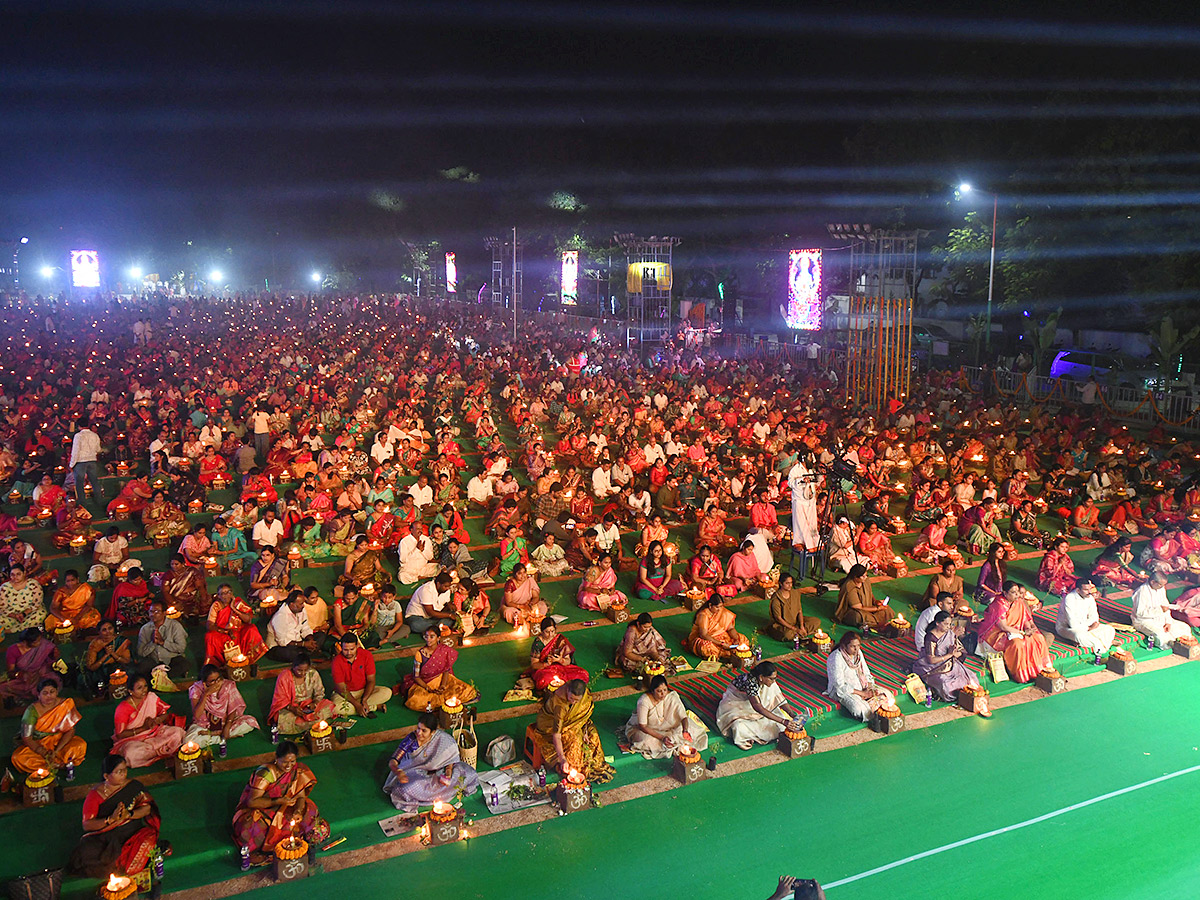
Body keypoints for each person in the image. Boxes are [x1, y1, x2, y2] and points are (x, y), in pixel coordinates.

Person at [232, 741, 329, 867]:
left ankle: (298, 839)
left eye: (292, 761)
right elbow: (252, 801)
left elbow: (300, 796)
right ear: (276, 758)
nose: (289, 766)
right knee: (250, 825)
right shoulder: (266, 773)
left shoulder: (297, 770)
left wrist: (298, 811)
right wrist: (278, 801)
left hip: (285, 806)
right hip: (263, 808)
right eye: (285, 762)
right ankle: (268, 847)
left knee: (308, 808)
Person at [69, 755, 162, 877]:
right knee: (85, 854)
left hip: (132, 831)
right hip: (107, 835)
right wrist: (111, 819)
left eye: (125, 770)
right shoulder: (95, 794)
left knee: (146, 841)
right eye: (119, 772)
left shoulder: (134, 786)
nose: (123, 774)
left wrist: (129, 814)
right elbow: (87, 824)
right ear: (106, 776)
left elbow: (147, 808)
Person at [383, 712, 481, 814]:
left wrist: (448, 773)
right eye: (418, 728)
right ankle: (439, 794)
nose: (419, 733)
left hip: (440, 773)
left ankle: (433, 794)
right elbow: (393, 761)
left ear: (433, 732)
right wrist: (398, 772)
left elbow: (450, 759)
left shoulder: (442, 739)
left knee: (467, 772)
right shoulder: (411, 740)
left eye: (424, 730)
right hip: (416, 773)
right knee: (404, 788)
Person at [529, 679, 615, 783]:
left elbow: (583, 712)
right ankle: (574, 766)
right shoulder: (559, 705)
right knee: (574, 738)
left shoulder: (583, 693)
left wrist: (584, 730)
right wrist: (562, 759)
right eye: (571, 698)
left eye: (576, 700)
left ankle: (587, 759)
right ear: (567, 691)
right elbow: (556, 735)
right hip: (550, 727)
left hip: (573, 722)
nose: (573, 702)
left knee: (593, 732)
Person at [716, 661, 806, 749]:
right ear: (761, 677)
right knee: (738, 727)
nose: (774, 681)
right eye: (771, 678)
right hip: (738, 706)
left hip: (759, 706)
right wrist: (783, 721)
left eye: (775, 678)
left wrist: (792, 714)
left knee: (780, 721)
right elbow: (758, 708)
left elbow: (778, 698)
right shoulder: (751, 683)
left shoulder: (770, 682)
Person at [978, 581, 1052, 682]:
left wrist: (1028, 629)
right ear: (1005, 593)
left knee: (1038, 638)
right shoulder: (999, 604)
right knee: (1017, 644)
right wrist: (1022, 633)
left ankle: (1042, 669)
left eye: (1017, 592)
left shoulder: (1019, 602)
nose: (1017, 595)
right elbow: (1003, 626)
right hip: (999, 632)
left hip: (1018, 630)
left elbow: (1025, 618)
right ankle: (1021, 675)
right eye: (1013, 592)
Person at [11, 678, 87, 773]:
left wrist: (56, 750)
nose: (49, 696)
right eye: (45, 693)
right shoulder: (32, 711)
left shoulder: (65, 704)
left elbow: (70, 730)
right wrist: (44, 753)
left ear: (57, 692)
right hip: (39, 744)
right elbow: (27, 737)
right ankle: (60, 764)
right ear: (38, 695)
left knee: (80, 746)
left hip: (60, 742)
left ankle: (51, 765)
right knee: (18, 758)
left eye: (52, 692)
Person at [913, 612, 987, 709]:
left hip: (950, 663)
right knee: (945, 684)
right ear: (937, 623)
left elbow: (960, 650)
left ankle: (967, 696)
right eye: (946, 624)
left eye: (950, 624)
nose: (949, 627)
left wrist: (956, 653)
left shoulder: (949, 633)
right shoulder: (931, 637)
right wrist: (949, 655)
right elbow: (931, 659)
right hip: (934, 666)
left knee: (971, 677)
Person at [111, 673, 186, 768]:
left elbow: (164, 713)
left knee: (177, 732)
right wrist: (143, 728)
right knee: (131, 754)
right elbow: (120, 734)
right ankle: (163, 750)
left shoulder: (151, 697)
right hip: (133, 740)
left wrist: (157, 720)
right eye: (139, 688)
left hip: (154, 733)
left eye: (145, 686)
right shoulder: (123, 708)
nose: (144, 690)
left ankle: (157, 751)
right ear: (130, 691)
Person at [624, 674, 707, 758]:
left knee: (690, 727)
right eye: (659, 691)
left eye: (665, 690)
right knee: (646, 740)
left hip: (670, 726)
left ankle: (671, 741)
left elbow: (683, 717)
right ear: (652, 691)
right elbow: (643, 726)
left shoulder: (672, 696)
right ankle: (668, 742)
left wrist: (685, 731)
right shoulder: (644, 701)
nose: (663, 694)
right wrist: (662, 738)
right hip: (649, 730)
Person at [401, 628, 479, 711]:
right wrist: (427, 688)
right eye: (426, 636)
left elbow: (446, 670)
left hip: (442, 678)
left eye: (432, 637)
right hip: (426, 682)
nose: (428, 639)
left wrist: (443, 686)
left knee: (466, 691)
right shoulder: (420, 653)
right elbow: (416, 676)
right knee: (416, 701)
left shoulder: (444, 650)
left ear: (438, 638)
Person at [824, 632, 896, 721]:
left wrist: (869, 687)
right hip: (845, 691)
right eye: (852, 646)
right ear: (844, 645)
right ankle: (874, 710)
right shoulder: (836, 658)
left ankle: (875, 709)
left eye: (858, 645)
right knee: (859, 709)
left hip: (863, 686)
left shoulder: (858, 653)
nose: (856, 649)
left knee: (888, 695)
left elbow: (866, 672)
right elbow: (839, 686)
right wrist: (862, 693)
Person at [186, 664, 260, 748]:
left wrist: (227, 727)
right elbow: (197, 715)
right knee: (189, 740)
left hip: (225, 721)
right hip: (204, 724)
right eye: (213, 681)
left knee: (250, 722)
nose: (217, 683)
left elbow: (233, 709)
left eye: (218, 679)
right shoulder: (196, 689)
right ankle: (222, 737)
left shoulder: (228, 685)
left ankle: (217, 735)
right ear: (204, 683)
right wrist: (205, 694)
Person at [269, 653, 337, 735]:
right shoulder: (284, 676)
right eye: (299, 670)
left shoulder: (313, 674)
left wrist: (314, 703)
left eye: (306, 670)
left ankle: (307, 723)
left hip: (308, 706)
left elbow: (320, 693)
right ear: (293, 667)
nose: (303, 673)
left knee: (329, 707)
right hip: (290, 707)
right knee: (282, 719)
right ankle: (310, 723)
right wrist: (292, 708)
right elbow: (279, 699)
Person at [204, 583, 267, 667]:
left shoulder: (238, 603)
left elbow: (248, 620)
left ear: (232, 593)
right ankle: (218, 665)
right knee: (210, 636)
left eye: (228, 592)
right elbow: (210, 625)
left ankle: (248, 660)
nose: (226, 595)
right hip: (223, 634)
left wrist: (234, 609)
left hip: (239, 632)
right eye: (223, 593)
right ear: (218, 596)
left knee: (251, 629)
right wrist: (225, 631)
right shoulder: (216, 606)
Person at [331, 633, 392, 717]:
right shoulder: (337, 661)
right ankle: (373, 707)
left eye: (352, 649)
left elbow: (371, 680)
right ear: (341, 647)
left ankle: (362, 707)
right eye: (345, 650)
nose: (348, 653)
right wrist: (356, 704)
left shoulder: (366, 655)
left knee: (387, 692)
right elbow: (341, 688)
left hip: (363, 691)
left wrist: (364, 700)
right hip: (345, 694)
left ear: (357, 646)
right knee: (335, 707)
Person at [1131, 571, 1191, 647]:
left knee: (1184, 627)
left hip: (1161, 618)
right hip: (1144, 621)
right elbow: (1140, 613)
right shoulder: (1141, 592)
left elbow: (1165, 605)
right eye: (1160, 584)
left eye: (1164, 585)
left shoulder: (1161, 588)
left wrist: (1168, 621)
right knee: (1160, 635)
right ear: (1153, 582)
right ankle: (1173, 646)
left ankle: (1181, 643)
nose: (1162, 586)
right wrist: (1160, 610)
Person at [1056, 580, 1117, 655]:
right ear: (1078, 590)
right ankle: (1106, 643)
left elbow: (1094, 617)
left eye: (1089, 589)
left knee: (1110, 629)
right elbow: (1073, 624)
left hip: (1086, 627)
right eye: (1086, 590)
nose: (1089, 592)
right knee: (1079, 636)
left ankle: (1100, 643)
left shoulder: (1090, 597)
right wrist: (1089, 627)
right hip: (1067, 628)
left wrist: (1092, 626)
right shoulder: (1069, 599)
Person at [528, 617, 590, 691]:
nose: (550, 634)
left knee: (583, 674)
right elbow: (534, 664)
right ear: (542, 631)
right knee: (544, 680)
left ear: (555, 629)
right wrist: (546, 664)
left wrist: (560, 660)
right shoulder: (538, 643)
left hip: (562, 667)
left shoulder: (560, 640)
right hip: (546, 669)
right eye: (547, 632)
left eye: (552, 631)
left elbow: (568, 661)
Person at [0, 627, 58, 704]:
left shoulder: (43, 645)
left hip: (41, 674)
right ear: (25, 642)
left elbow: (50, 659)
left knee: (49, 684)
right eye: (36, 642)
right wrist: (20, 675)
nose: (39, 643)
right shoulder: (13, 650)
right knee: (3, 688)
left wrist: (54, 655)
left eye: (40, 640)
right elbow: (11, 672)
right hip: (23, 679)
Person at [686, 594, 748, 661]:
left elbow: (730, 629)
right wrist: (721, 644)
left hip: (722, 636)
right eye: (717, 607)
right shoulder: (703, 615)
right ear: (710, 605)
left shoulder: (722, 611)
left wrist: (736, 639)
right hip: (709, 639)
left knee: (742, 639)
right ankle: (726, 654)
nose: (720, 609)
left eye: (721, 606)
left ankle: (728, 653)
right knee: (706, 647)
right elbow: (703, 635)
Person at [136, 601, 189, 679]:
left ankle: (162, 677)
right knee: (142, 666)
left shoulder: (175, 626)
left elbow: (181, 648)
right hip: (154, 661)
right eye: (151, 611)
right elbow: (140, 653)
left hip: (172, 660)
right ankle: (161, 677)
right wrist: (153, 643)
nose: (152, 614)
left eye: (156, 611)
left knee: (183, 664)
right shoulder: (145, 629)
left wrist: (163, 642)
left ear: (164, 613)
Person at [833, 564, 895, 629]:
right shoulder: (849, 586)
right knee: (857, 617)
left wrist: (875, 602)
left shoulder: (865, 580)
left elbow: (870, 593)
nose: (865, 577)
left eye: (866, 575)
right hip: (855, 611)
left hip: (868, 607)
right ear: (855, 577)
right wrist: (877, 609)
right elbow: (858, 607)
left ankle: (872, 623)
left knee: (887, 610)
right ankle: (875, 623)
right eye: (863, 576)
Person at [83, 619, 132, 697]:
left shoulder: (121, 641)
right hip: (101, 670)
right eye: (104, 630)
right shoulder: (95, 644)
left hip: (120, 667)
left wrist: (112, 654)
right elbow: (91, 667)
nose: (108, 632)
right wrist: (105, 655)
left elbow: (127, 661)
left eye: (110, 628)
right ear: (99, 632)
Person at [266, 592, 320, 662]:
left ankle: (307, 652)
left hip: (298, 644)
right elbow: (282, 642)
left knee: (321, 636)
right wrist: (304, 644)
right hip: (279, 647)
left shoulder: (301, 610)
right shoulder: (280, 616)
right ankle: (307, 654)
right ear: (292, 605)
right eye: (301, 604)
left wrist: (310, 640)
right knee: (291, 653)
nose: (303, 606)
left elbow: (305, 628)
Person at [767, 573, 819, 642]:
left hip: (795, 621)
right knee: (787, 635)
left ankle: (800, 632)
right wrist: (795, 629)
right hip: (782, 625)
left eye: (791, 583)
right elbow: (778, 618)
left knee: (816, 621)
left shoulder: (795, 593)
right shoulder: (776, 598)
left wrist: (801, 626)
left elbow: (799, 611)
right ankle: (802, 633)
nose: (790, 585)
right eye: (787, 583)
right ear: (781, 584)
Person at [0, 563, 46, 634]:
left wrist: (23, 614)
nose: (15, 577)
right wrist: (15, 616)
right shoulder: (5, 587)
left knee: (40, 615)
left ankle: (12, 630)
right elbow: (2, 607)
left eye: (18, 574)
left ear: (24, 573)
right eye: (12, 575)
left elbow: (36, 604)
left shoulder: (33, 584)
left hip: (29, 613)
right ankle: (24, 627)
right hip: (11, 615)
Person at [161, 554, 209, 619]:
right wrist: (174, 603)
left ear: (183, 563)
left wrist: (203, 599)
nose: (174, 566)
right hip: (175, 600)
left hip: (191, 599)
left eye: (176, 564)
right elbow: (165, 591)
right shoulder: (168, 575)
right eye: (172, 564)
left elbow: (200, 586)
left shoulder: (192, 571)